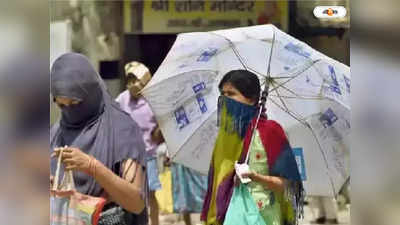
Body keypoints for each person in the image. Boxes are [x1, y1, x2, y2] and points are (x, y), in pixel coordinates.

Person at [50, 53, 148, 224]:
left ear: (91, 94)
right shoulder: (57, 132)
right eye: (61, 105)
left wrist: (92, 167)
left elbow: (136, 202)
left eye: (75, 103)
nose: (69, 111)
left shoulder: (122, 130)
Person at [201, 70, 304, 225]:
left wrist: (254, 176)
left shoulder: (270, 131)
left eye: (231, 93)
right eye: (223, 93)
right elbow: (216, 187)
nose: (225, 99)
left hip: (264, 217)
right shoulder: (226, 136)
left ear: (251, 99)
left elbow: (288, 185)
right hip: (231, 216)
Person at [115, 61, 162, 225]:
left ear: (145, 82)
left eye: (135, 80)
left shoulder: (153, 101)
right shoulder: (121, 99)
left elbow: (158, 132)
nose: (131, 85)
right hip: (128, 157)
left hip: (148, 156)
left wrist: (160, 128)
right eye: (128, 81)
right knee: (129, 193)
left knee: (150, 195)